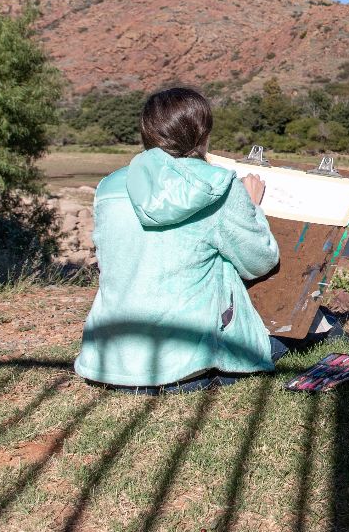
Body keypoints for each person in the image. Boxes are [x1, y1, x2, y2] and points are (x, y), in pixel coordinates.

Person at [74, 87, 286, 393]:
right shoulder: (220, 186)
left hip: (108, 361)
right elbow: (260, 261)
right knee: (297, 338)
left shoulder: (108, 187)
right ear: (204, 135)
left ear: (146, 134)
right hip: (183, 367)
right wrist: (252, 206)